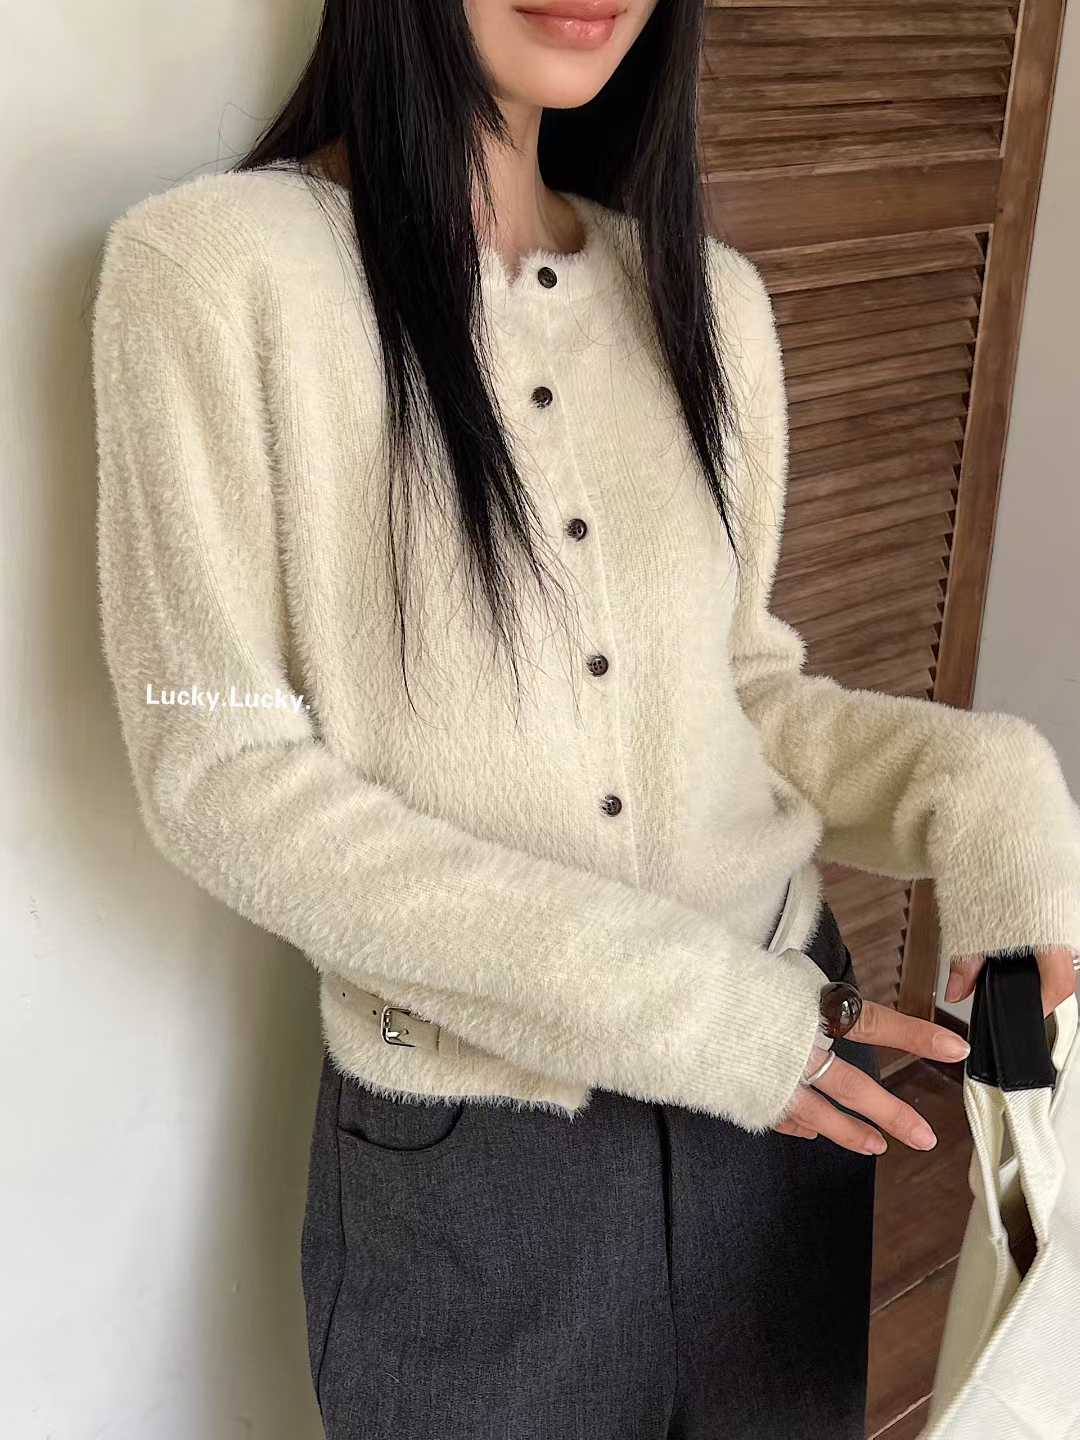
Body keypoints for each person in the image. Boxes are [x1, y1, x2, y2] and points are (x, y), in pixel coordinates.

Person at [90, 2, 1080, 1436]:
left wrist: (986, 786)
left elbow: (744, 695)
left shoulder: (708, 299)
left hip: (785, 1098)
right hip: (490, 1158)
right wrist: (695, 1015)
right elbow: (221, 773)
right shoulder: (212, 272)